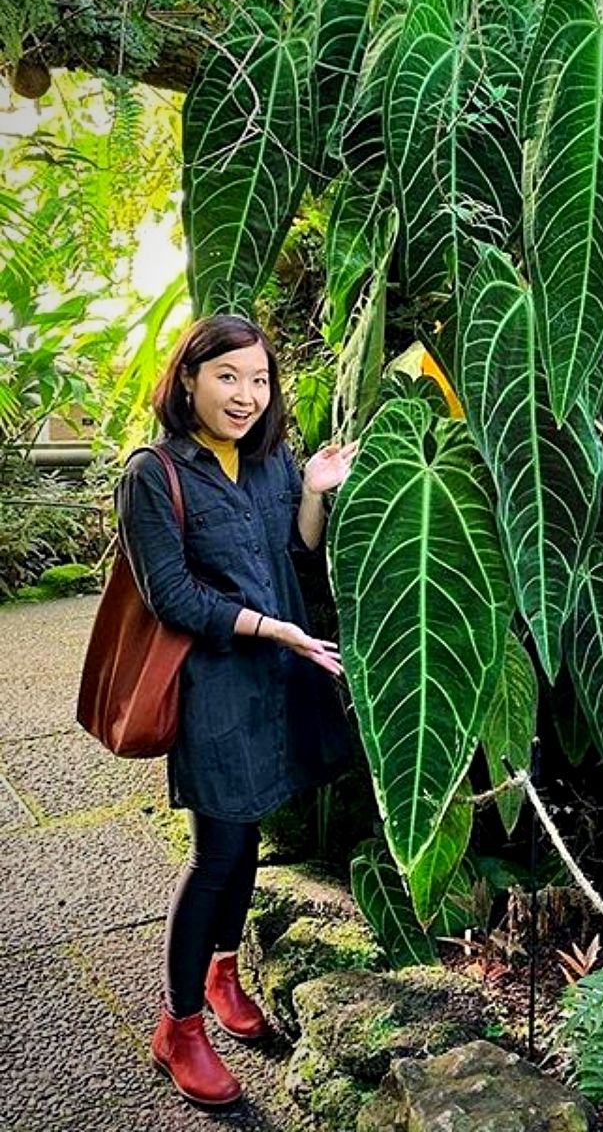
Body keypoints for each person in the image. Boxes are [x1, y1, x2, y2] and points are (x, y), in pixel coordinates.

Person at [116, 313, 356, 1106]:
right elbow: (172, 595)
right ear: (188, 378)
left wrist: (314, 493)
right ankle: (178, 1025)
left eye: (259, 380)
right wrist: (266, 626)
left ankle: (224, 975)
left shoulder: (269, 460)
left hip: (276, 682)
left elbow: (294, 550)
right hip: (216, 686)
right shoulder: (154, 473)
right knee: (216, 853)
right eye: (228, 377)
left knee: (248, 836)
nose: (246, 395)